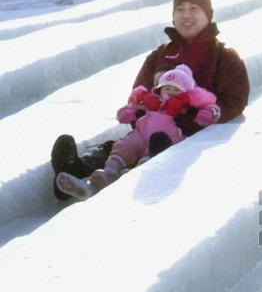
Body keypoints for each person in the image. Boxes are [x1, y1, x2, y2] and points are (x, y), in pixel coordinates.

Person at [51, 0, 249, 199]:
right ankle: (76, 169)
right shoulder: (161, 54)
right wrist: (139, 110)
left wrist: (198, 117)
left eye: (194, 9)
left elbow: (235, 99)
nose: (186, 15)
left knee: (155, 147)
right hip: (153, 122)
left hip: (188, 134)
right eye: (180, 10)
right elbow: (140, 89)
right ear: (173, 16)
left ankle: (125, 176)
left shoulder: (224, 56)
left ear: (208, 14)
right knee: (122, 146)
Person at [55, 64, 218, 201]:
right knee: (124, 146)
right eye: (167, 88)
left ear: (187, 93)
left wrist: (207, 114)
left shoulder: (186, 106)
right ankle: (107, 174)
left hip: (167, 138)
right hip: (141, 134)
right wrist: (128, 112)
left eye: (176, 89)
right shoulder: (152, 102)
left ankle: (132, 174)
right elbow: (133, 107)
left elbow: (212, 108)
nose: (170, 92)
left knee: (155, 148)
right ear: (159, 90)